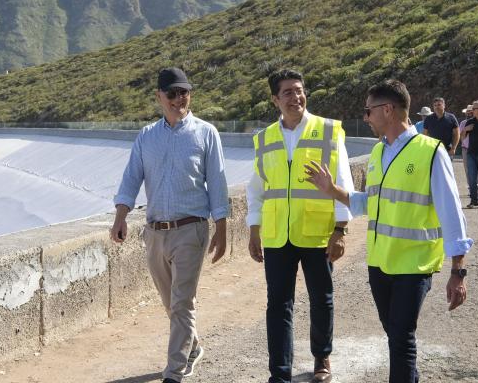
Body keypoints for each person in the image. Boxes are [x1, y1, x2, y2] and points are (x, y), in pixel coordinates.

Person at [304, 79, 473, 383]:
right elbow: (368, 202)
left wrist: (457, 271)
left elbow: (451, 213)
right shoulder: (378, 154)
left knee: (401, 336)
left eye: (368, 111)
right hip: (380, 264)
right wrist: (332, 190)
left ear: (388, 110)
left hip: (414, 264)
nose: (366, 117)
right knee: (395, 333)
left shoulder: (431, 152)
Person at [111, 67, 229, 383]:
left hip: (191, 229)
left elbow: (217, 182)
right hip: (155, 233)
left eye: (184, 92)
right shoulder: (147, 137)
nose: (179, 99)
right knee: (171, 303)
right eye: (172, 93)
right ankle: (192, 347)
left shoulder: (206, 133)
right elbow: (131, 178)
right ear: (159, 97)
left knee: (182, 302)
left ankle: (174, 372)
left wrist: (222, 226)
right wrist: (120, 217)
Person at [247, 69, 354, 383]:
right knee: (278, 304)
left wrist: (341, 230)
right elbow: (257, 189)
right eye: (288, 93)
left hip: (318, 233)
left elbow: (343, 181)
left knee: (322, 298)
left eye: (299, 90)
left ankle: (322, 358)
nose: (296, 97)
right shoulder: (264, 138)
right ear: (275, 99)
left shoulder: (329, 131)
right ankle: (280, 373)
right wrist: (254, 229)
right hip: (280, 235)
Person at [457, 104, 475, 176]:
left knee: (477, 168)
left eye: (470, 112)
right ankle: (470, 185)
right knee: (467, 168)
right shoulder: (463, 123)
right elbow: (460, 136)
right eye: (467, 112)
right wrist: (465, 129)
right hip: (466, 148)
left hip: (476, 148)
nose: (468, 114)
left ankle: (477, 184)